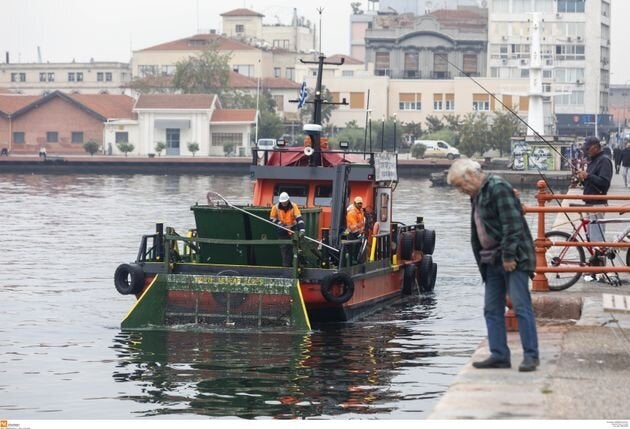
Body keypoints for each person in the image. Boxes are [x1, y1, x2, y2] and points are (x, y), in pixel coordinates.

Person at [447, 158, 539, 372]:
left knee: (521, 305)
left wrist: (508, 256)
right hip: (491, 259)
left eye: (461, 185)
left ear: (471, 175)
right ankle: (499, 354)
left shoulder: (497, 188)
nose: (461, 190)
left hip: (512, 258)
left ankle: (531, 356)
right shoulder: (477, 194)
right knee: (491, 308)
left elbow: (512, 224)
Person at [575, 136, 613, 245]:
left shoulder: (604, 161)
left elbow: (604, 183)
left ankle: (599, 261)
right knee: (592, 238)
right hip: (590, 202)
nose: (586, 152)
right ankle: (595, 260)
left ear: (596, 147)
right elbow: (590, 181)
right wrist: (582, 179)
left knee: (597, 239)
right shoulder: (593, 161)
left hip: (597, 204)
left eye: (587, 149)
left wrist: (588, 176)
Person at [269, 192, 305, 267]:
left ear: (288, 200)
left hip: (293, 228)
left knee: (297, 247)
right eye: (282, 202)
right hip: (282, 229)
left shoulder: (294, 206)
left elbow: (299, 218)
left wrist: (302, 230)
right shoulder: (275, 207)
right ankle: (286, 267)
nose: (284, 204)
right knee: (285, 248)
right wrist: (280, 223)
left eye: (285, 202)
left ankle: (299, 266)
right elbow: (272, 218)